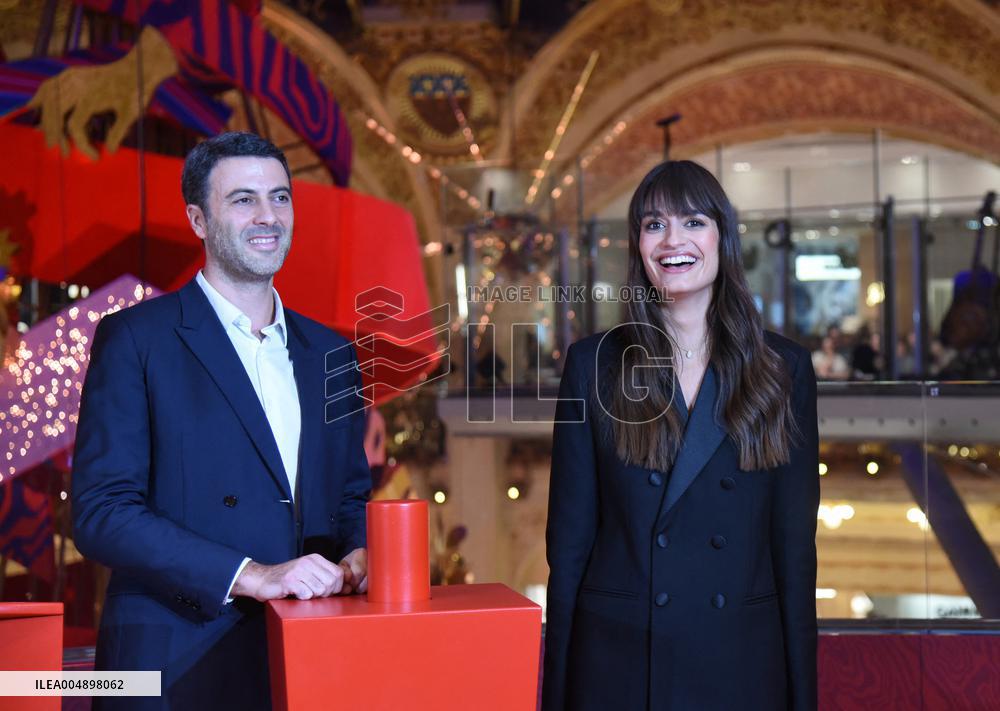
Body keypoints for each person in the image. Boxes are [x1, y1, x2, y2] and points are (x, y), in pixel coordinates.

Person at [72, 132, 371, 710]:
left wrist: (359, 557)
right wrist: (251, 574)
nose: (268, 216)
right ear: (198, 219)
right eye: (243, 200)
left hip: (308, 658)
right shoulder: (138, 339)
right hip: (173, 664)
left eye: (280, 197)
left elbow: (350, 496)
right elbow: (101, 512)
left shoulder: (333, 354)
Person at [543, 161, 819, 711]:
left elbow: (794, 550)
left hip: (739, 661)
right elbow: (568, 543)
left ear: (723, 237)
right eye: (653, 225)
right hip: (619, 662)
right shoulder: (592, 364)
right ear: (638, 246)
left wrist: (802, 696)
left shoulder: (783, 368)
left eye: (693, 222)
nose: (673, 241)